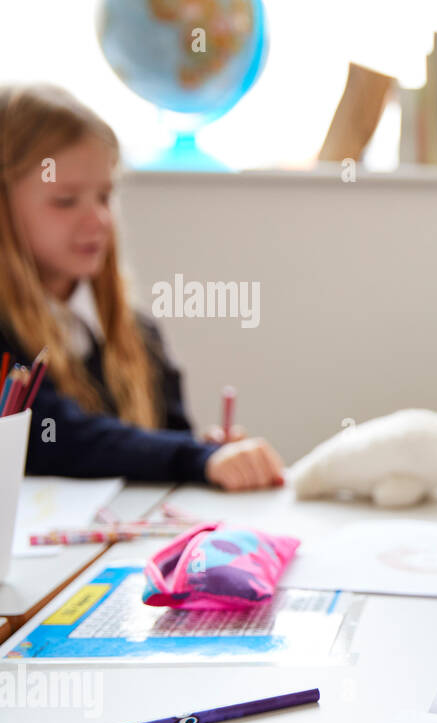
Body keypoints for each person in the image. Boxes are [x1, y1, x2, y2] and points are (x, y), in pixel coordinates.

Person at [0, 84, 283, 489]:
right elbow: (55, 436)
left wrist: (207, 452)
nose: (98, 219)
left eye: (104, 196)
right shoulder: (7, 339)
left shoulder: (137, 334)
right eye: (65, 200)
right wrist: (191, 458)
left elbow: (169, 436)